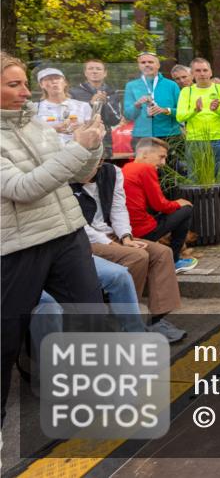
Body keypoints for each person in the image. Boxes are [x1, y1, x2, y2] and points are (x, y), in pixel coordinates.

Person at [0, 51, 106, 420]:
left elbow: (78, 174)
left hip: (67, 235)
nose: (26, 92)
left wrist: (92, 145)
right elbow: (24, 187)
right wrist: (77, 148)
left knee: (92, 316)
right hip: (19, 248)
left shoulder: (35, 124)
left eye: (24, 83)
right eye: (14, 85)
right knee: (7, 339)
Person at [72, 161, 185, 342]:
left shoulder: (112, 172)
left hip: (112, 234)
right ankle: (127, 318)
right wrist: (111, 244)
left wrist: (126, 237)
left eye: (92, 163)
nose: (85, 168)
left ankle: (157, 319)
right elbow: (78, 225)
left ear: (100, 162)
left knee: (162, 253)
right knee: (138, 256)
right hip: (83, 240)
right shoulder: (64, 178)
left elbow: (118, 208)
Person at [123, 137, 197, 272]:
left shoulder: (127, 167)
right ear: (144, 154)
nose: (163, 163)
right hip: (142, 231)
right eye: (161, 157)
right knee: (186, 209)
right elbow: (160, 205)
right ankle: (174, 261)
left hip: (128, 230)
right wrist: (178, 203)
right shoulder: (145, 168)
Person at [176, 58, 220, 179]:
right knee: (195, 178)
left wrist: (217, 109)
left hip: (219, 139)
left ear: (211, 72)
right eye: (198, 70)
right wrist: (195, 110)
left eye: (205, 70)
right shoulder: (186, 91)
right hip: (195, 140)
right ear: (192, 74)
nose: (202, 73)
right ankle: (198, 199)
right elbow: (179, 116)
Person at [123, 52, 181, 153]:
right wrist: (137, 105)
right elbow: (128, 115)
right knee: (144, 168)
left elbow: (182, 112)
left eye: (150, 62)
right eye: (143, 62)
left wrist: (166, 110)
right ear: (139, 66)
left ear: (158, 65)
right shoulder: (131, 86)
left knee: (168, 168)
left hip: (168, 135)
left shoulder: (171, 85)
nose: (147, 64)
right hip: (141, 135)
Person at [69, 58, 122, 154]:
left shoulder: (113, 92)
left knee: (104, 167)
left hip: (105, 140)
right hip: (81, 138)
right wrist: (90, 104)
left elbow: (115, 120)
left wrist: (106, 104)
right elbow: (71, 117)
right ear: (85, 73)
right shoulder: (74, 92)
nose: (94, 71)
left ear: (105, 73)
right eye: (90, 68)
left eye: (98, 69)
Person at [34, 67, 93, 144]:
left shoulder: (83, 106)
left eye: (57, 78)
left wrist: (83, 126)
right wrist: (52, 130)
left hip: (78, 151)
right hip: (48, 152)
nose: (54, 81)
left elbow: (95, 131)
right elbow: (29, 135)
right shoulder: (35, 108)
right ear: (41, 85)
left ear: (65, 83)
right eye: (48, 79)